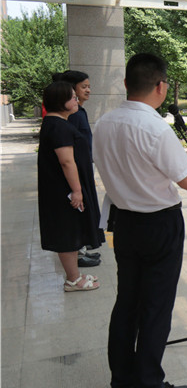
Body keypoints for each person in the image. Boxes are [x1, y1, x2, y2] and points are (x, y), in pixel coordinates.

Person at [94, 53, 187, 388]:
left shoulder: (104, 123)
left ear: (126, 84)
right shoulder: (155, 128)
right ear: (161, 86)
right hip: (159, 224)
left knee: (127, 302)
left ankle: (121, 380)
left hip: (124, 223)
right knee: (156, 307)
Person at [38, 80, 103, 291]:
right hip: (64, 190)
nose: (76, 100)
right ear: (61, 101)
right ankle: (73, 280)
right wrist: (76, 190)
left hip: (61, 188)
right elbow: (67, 161)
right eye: (73, 97)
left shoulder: (56, 123)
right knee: (68, 232)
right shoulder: (59, 126)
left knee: (72, 229)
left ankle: (75, 274)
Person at [57, 69, 102, 268]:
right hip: (77, 170)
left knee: (86, 209)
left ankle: (82, 248)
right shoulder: (73, 115)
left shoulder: (79, 112)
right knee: (79, 210)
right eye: (84, 87)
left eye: (89, 86)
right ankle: (78, 252)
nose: (88, 90)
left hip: (84, 168)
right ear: (72, 89)